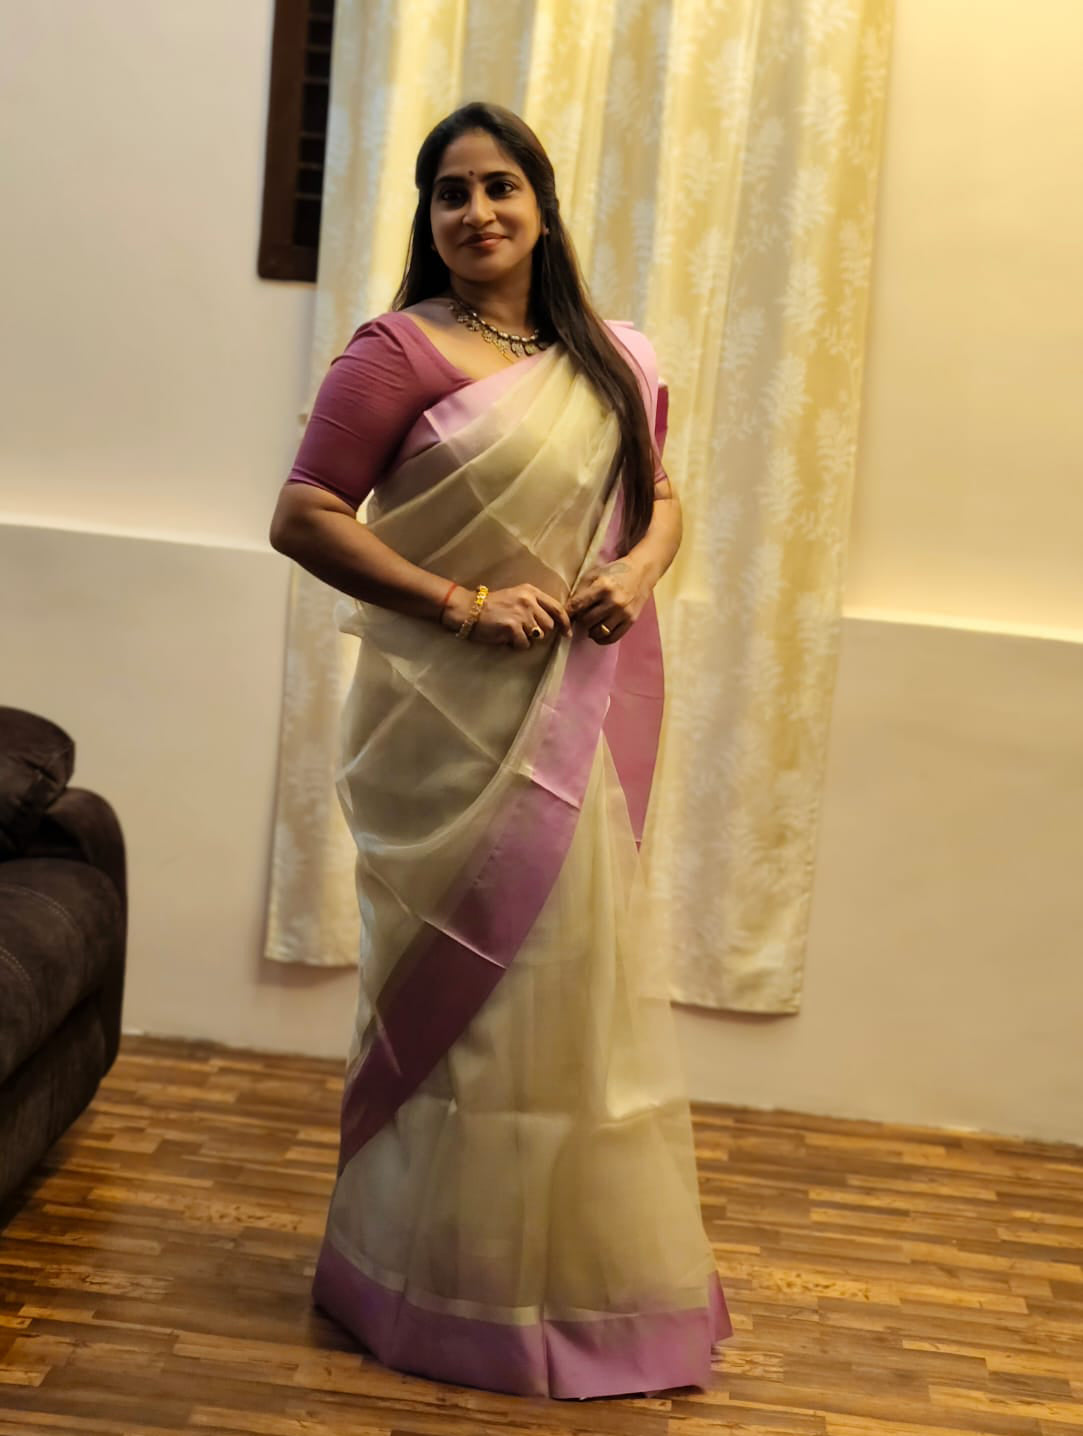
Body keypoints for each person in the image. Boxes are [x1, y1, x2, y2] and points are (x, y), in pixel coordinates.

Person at [269, 101, 731, 1400]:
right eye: (450, 192)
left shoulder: (611, 358)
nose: (476, 211)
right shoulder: (394, 352)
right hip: (443, 731)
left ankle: (587, 1291)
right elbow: (303, 515)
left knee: (570, 1005)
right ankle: (433, 1288)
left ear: (540, 202)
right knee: (464, 1015)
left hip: (567, 727)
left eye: (499, 186)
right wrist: (460, 603)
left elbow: (662, 499)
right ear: (427, 217)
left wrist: (635, 572)